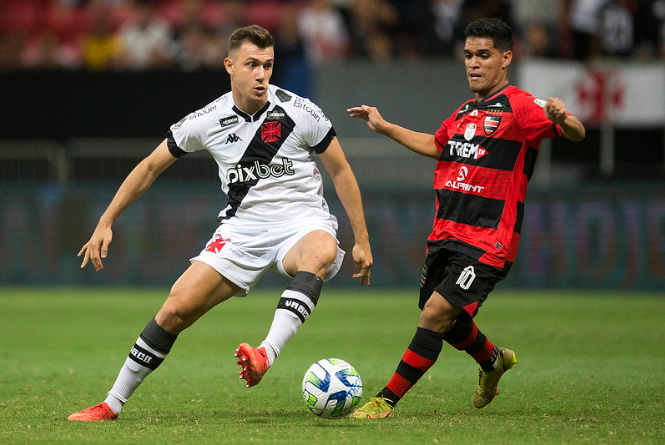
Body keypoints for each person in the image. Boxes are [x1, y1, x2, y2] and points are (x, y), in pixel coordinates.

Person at [68, 24, 373, 422]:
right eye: (251, 65)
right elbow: (149, 167)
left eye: (267, 65)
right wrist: (106, 220)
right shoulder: (207, 119)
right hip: (241, 230)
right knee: (176, 308)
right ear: (230, 65)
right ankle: (111, 404)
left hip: (302, 222)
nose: (261, 74)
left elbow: (342, 171)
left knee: (321, 250)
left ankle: (265, 353)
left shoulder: (301, 111)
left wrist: (362, 239)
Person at [347, 17, 585, 419]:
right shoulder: (464, 112)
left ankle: (385, 401)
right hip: (446, 233)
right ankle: (493, 361)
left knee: (435, 314)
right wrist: (385, 127)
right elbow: (436, 145)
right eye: (469, 55)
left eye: (484, 55)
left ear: (506, 58)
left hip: (489, 239)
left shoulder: (521, 106)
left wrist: (563, 117)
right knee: (444, 316)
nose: (474, 63)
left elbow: (576, 131)